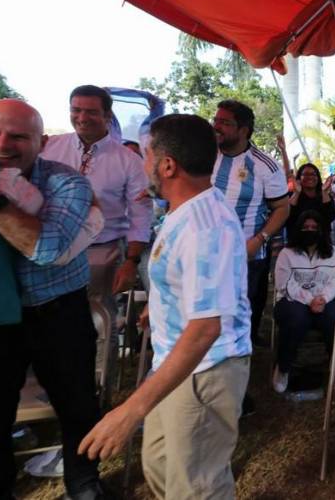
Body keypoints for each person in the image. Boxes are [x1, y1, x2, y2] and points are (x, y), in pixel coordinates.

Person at [78, 114, 252, 500]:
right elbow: (187, 282)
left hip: (205, 372)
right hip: (175, 364)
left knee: (195, 488)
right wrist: (159, 307)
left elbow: (206, 328)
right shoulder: (183, 211)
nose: (143, 166)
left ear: (168, 165)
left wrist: (131, 409)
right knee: (159, 467)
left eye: (146, 155)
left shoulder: (204, 226)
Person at [0, 99, 104, 499]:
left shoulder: (67, 183)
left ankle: (83, 482)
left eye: (18, 136)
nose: (2, 144)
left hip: (58, 311)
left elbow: (46, 248)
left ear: (43, 142)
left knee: (77, 405)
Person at [42, 84, 153, 398]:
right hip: (53, 249)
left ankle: (96, 391)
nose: (82, 118)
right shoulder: (50, 148)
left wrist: (130, 261)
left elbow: (140, 214)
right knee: (51, 318)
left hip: (102, 252)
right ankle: (52, 387)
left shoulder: (128, 160)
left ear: (107, 115)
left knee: (101, 322)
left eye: (91, 111)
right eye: (76, 110)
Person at [211, 99, 289, 347]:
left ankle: (239, 366)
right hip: (206, 252)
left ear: (244, 130)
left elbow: (282, 208)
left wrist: (259, 240)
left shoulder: (265, 166)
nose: (217, 126)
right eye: (216, 120)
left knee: (240, 316)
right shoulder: (204, 155)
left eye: (224, 122)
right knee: (209, 313)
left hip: (246, 255)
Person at [271, 210, 335, 393]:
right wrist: (310, 300)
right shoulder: (286, 253)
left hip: (324, 300)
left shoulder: (333, 253)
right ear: (298, 229)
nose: (310, 230)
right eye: (305, 227)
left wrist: (323, 298)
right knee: (296, 319)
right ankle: (284, 367)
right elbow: (284, 283)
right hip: (293, 300)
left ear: (322, 230)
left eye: (314, 227)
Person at [286, 162, 335, 234]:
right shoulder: (291, 196)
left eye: (313, 174)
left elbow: (330, 217)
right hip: (296, 241)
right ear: (299, 178)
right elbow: (286, 217)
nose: (310, 177)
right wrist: (297, 193)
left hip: (322, 241)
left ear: (318, 178)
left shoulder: (325, 195)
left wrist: (324, 192)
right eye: (305, 174)